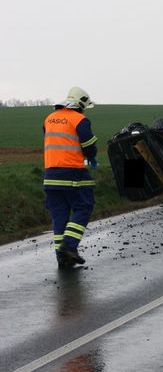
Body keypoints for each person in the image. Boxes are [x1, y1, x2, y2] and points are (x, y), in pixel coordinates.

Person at [43, 87, 98, 269]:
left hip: (50, 175)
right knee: (84, 206)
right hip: (73, 172)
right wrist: (91, 156)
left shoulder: (49, 118)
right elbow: (89, 144)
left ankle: (62, 257)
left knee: (59, 215)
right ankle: (69, 246)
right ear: (81, 104)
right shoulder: (80, 119)